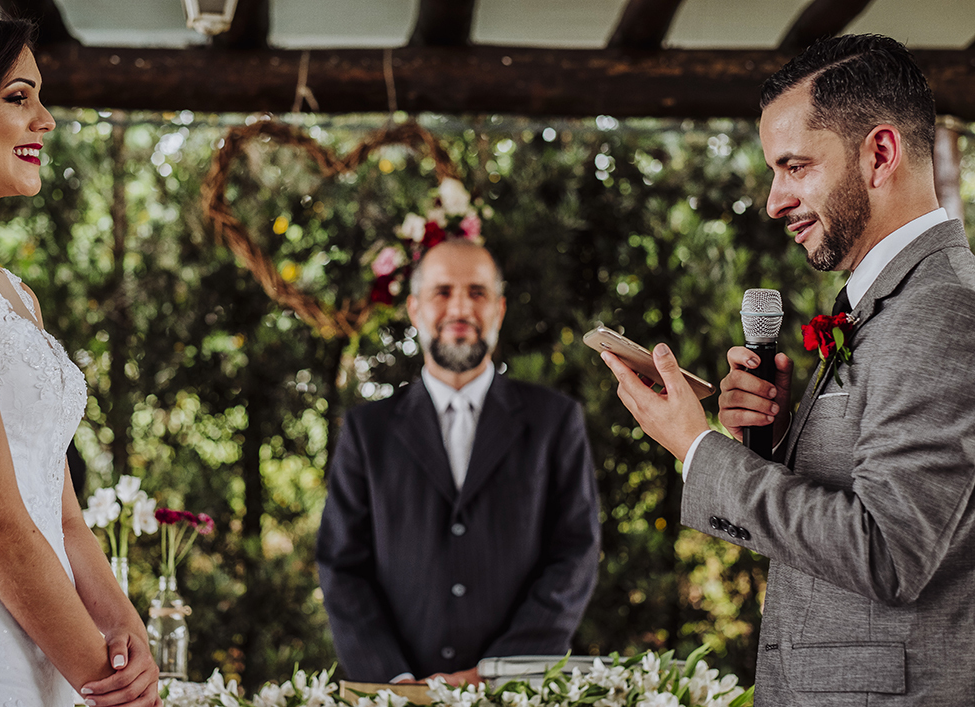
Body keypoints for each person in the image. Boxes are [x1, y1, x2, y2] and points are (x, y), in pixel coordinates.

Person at [600, 34, 975, 705]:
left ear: (880, 154)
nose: (774, 201)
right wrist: (770, 446)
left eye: (795, 167)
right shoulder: (890, 300)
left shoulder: (942, 308)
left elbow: (890, 551)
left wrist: (698, 450)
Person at [0, 7, 159, 706]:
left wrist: (126, 636)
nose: (46, 120)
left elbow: (66, 517)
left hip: (48, 642)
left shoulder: (14, 294)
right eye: (18, 97)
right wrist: (104, 678)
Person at [317, 239, 601, 685]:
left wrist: (496, 674)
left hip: (516, 692)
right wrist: (394, 682)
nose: (460, 308)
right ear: (414, 309)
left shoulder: (555, 421)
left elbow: (575, 554)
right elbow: (341, 567)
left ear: (500, 309)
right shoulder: (365, 431)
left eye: (477, 292)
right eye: (442, 292)